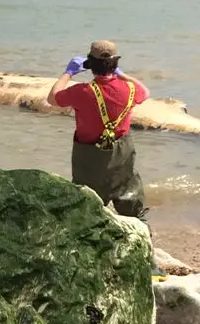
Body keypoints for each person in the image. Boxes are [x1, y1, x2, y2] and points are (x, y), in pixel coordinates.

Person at [47, 38, 151, 224]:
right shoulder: (130, 89)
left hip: (90, 158)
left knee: (87, 207)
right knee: (130, 200)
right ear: (115, 63)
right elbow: (146, 91)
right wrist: (121, 74)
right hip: (122, 153)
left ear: (90, 64)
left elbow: (52, 98)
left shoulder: (83, 92)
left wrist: (68, 73)